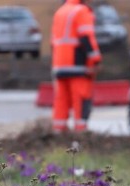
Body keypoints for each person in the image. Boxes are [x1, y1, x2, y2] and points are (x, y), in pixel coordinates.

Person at [51, 0, 102, 133]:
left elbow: (53, 41)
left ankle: (58, 130)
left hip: (59, 65)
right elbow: (86, 37)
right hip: (77, 64)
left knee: (61, 99)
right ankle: (80, 132)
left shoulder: (60, 11)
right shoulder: (81, 11)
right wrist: (95, 60)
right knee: (80, 98)